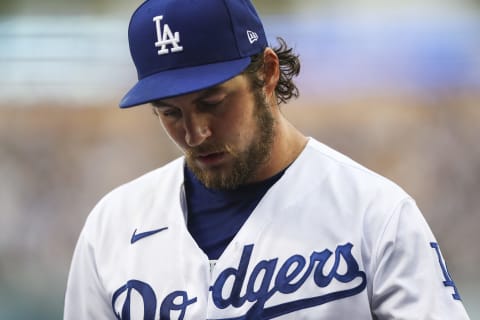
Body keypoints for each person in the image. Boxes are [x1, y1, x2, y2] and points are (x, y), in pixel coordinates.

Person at [64, 0, 471, 319]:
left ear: (267, 73)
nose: (195, 133)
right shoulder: (112, 227)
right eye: (170, 112)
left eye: (212, 102)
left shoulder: (375, 214)